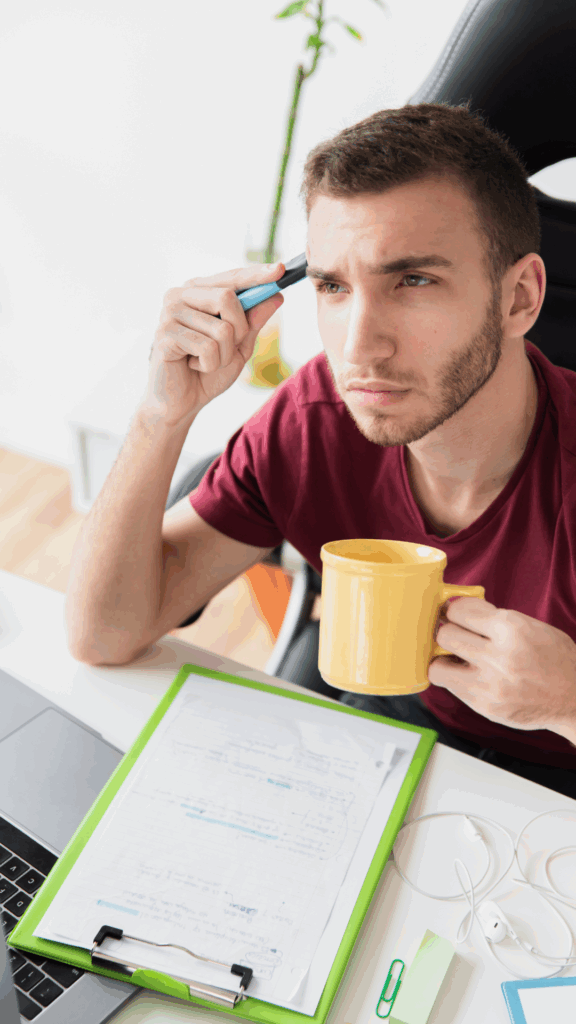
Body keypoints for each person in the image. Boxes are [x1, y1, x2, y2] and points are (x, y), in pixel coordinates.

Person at [67, 102, 576, 797]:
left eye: (413, 280)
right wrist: (163, 415)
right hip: (396, 740)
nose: (359, 347)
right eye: (334, 287)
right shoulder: (316, 419)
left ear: (520, 297)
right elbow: (103, 635)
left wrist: (567, 702)